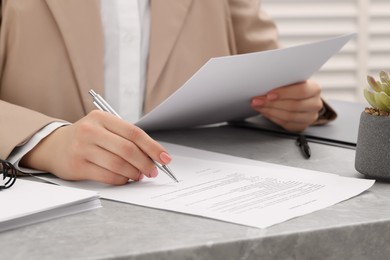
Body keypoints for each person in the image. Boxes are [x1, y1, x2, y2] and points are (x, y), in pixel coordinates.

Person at [0, 0, 335, 185]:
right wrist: (45, 141)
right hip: (39, 198)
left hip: (191, 194)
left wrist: (297, 103)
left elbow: (269, 71)